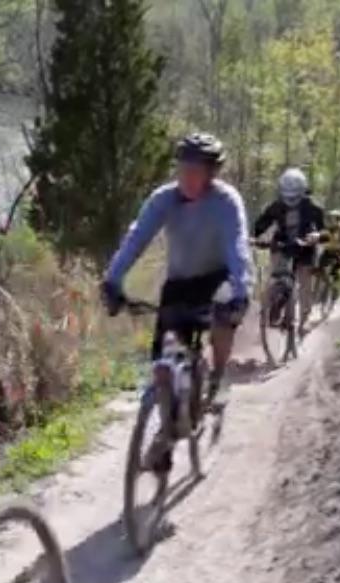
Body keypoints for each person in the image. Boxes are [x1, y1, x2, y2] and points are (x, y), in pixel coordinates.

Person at [101, 132, 252, 410]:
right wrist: (112, 279)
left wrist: (241, 292)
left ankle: (218, 378)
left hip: (218, 277)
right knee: (163, 362)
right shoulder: (164, 199)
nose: (187, 178)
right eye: (183, 170)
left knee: (223, 316)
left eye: (196, 171)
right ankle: (162, 435)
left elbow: (237, 246)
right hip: (180, 282)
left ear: (212, 174)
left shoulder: (226, 201)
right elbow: (136, 239)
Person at [251, 168, 326, 332]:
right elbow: (260, 225)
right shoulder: (275, 207)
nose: (290, 199)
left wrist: (317, 236)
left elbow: (324, 231)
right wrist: (253, 237)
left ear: (303, 192)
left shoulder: (313, 208)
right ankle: (272, 302)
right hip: (282, 245)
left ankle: (304, 318)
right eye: (287, 195)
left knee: (305, 282)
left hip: (304, 247)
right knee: (274, 275)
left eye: (295, 195)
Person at [319, 208, 340, 286]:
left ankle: (337, 287)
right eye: (330, 218)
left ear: (338, 219)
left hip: (339, 253)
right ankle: (326, 284)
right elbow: (323, 237)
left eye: (332, 218)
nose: (330, 220)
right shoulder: (331, 228)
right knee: (320, 267)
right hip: (329, 250)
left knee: (335, 272)